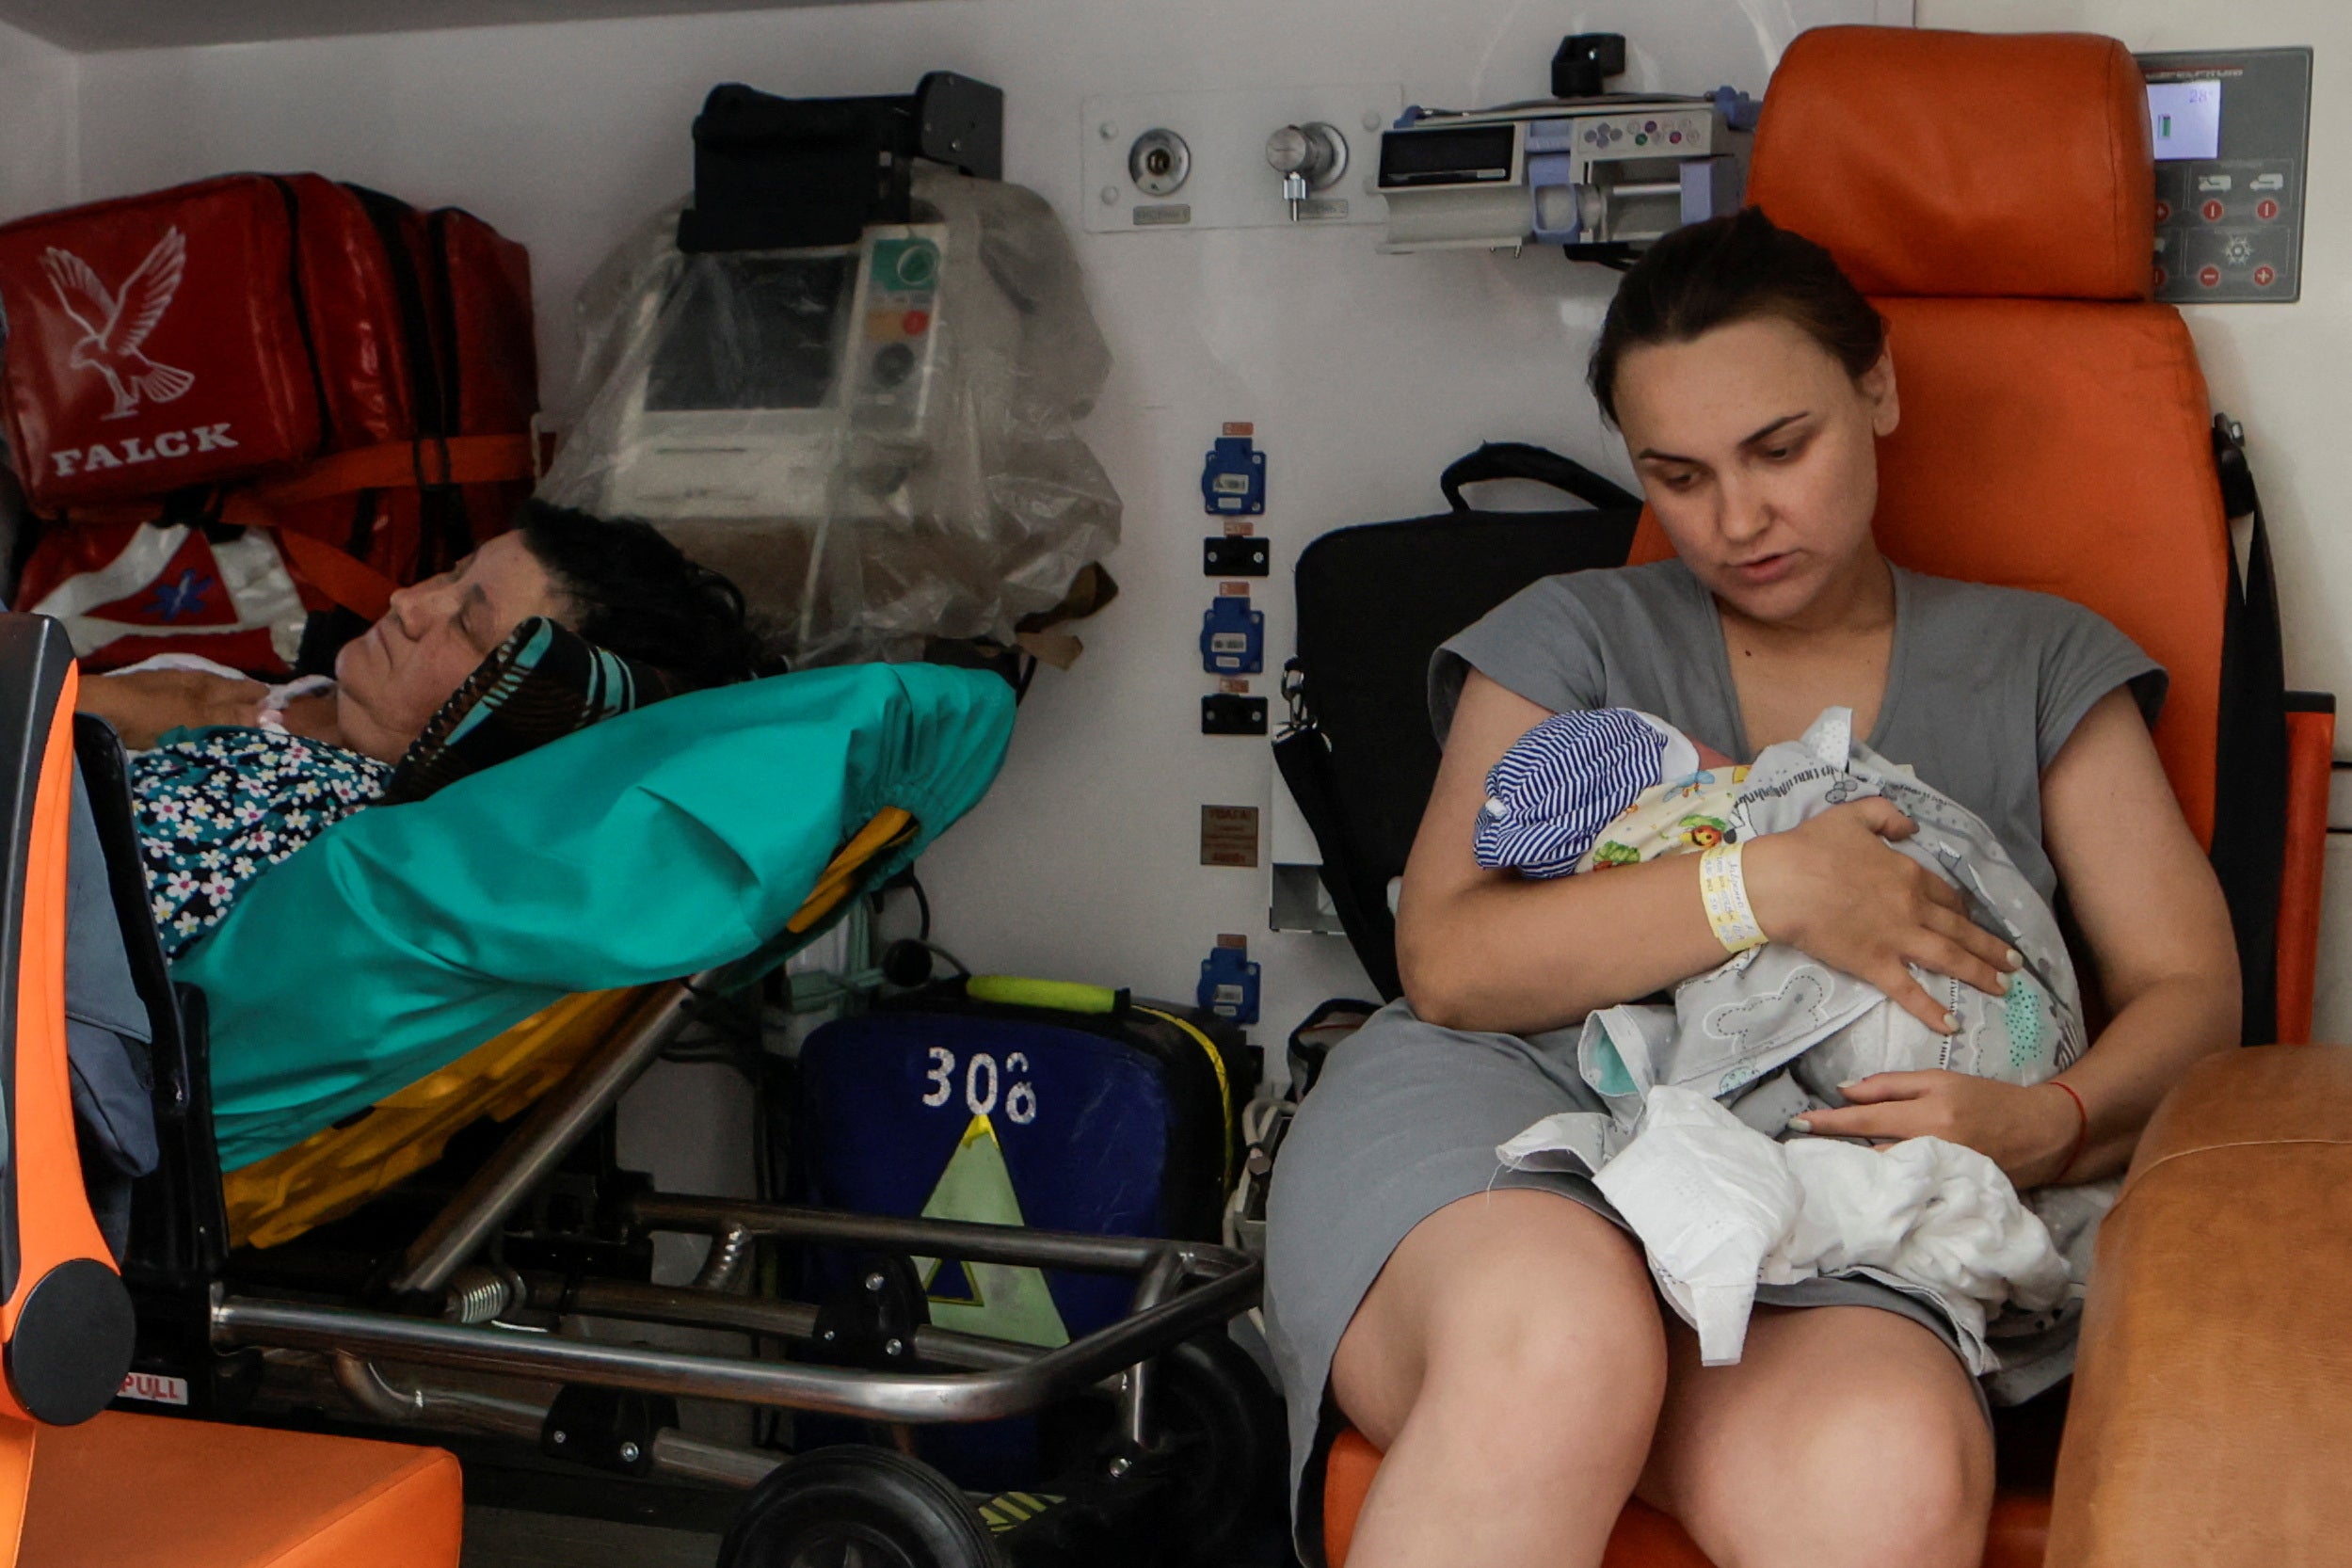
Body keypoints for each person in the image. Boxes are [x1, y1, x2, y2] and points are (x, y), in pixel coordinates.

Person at [1262, 207, 2240, 1568]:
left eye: (1779, 449)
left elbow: (2191, 991)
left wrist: (2048, 1122)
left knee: (1880, 1478)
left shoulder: (2035, 663)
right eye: (1674, 475)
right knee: (1562, 1343)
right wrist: (1765, 887)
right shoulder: (1574, 633)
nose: (1735, 519)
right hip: (1513, 1114)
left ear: (1876, 387)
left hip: (1824, 1191)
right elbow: (1451, 959)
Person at [84, 500, 759, 955]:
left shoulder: (300, 813)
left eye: (466, 625)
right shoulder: (280, 704)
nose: (407, 602)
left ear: (520, 718)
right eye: (452, 572)